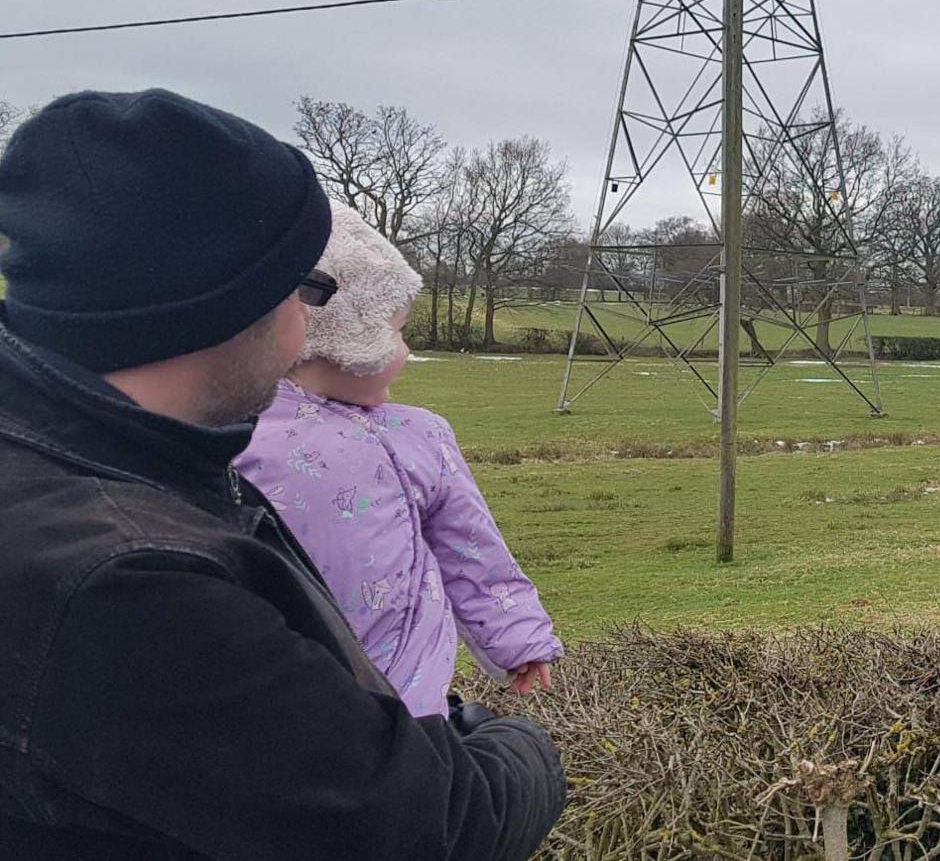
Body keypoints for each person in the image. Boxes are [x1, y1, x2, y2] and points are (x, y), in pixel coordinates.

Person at [0, 88, 564, 859]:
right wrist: (520, 743)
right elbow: (422, 826)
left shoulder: (107, 472)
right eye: (306, 290)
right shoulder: (132, 583)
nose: (307, 325)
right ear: (221, 304)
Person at [237, 205, 563, 717]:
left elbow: (469, 542)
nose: (406, 352)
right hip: (281, 695)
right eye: (397, 331)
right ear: (347, 330)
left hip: (412, 697)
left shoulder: (418, 434)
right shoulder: (233, 432)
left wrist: (517, 635)